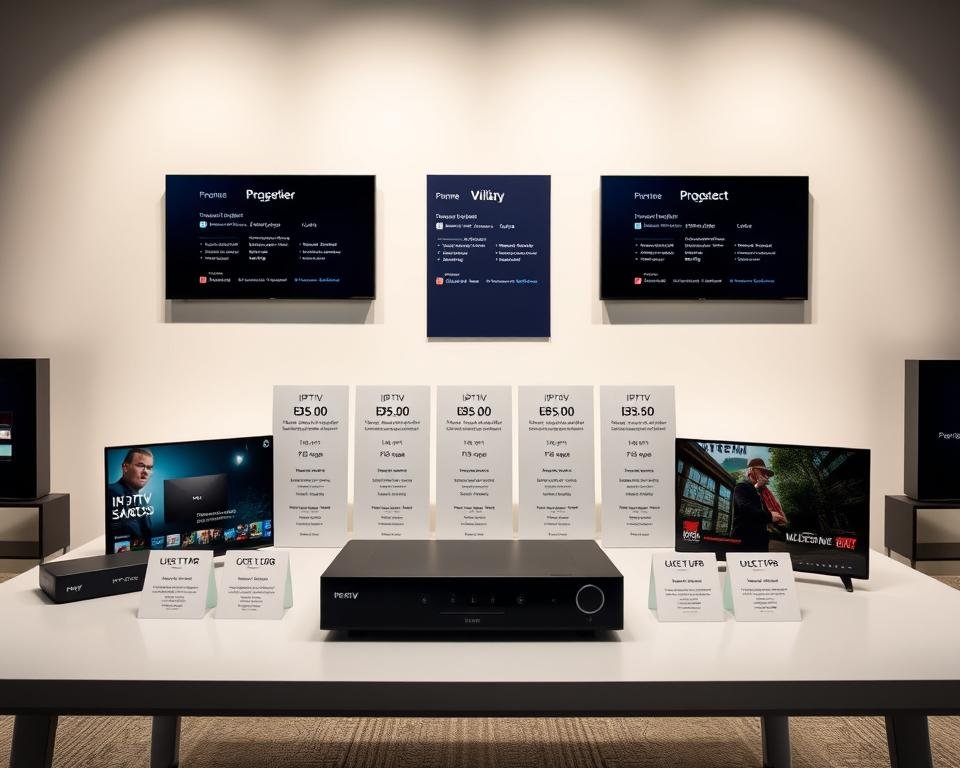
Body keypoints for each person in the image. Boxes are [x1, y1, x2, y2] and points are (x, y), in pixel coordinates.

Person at [731, 457, 787, 551]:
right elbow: (745, 508)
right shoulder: (741, 487)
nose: (766, 476)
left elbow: (766, 513)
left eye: (767, 474)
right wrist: (769, 516)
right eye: (762, 472)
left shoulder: (763, 493)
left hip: (761, 543)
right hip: (744, 543)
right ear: (752, 471)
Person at [107, 447, 155, 543]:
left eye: (149, 468)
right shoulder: (112, 492)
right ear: (125, 468)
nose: (145, 471)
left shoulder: (142, 502)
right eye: (140, 465)